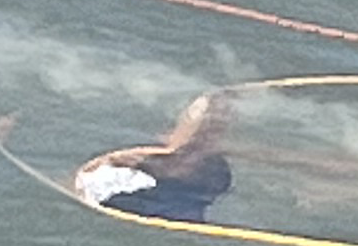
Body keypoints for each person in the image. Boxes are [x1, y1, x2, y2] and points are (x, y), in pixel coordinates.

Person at [73, 91, 237, 223]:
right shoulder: (130, 164)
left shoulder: (215, 172)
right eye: (202, 123)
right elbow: (80, 188)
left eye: (216, 126)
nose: (205, 131)